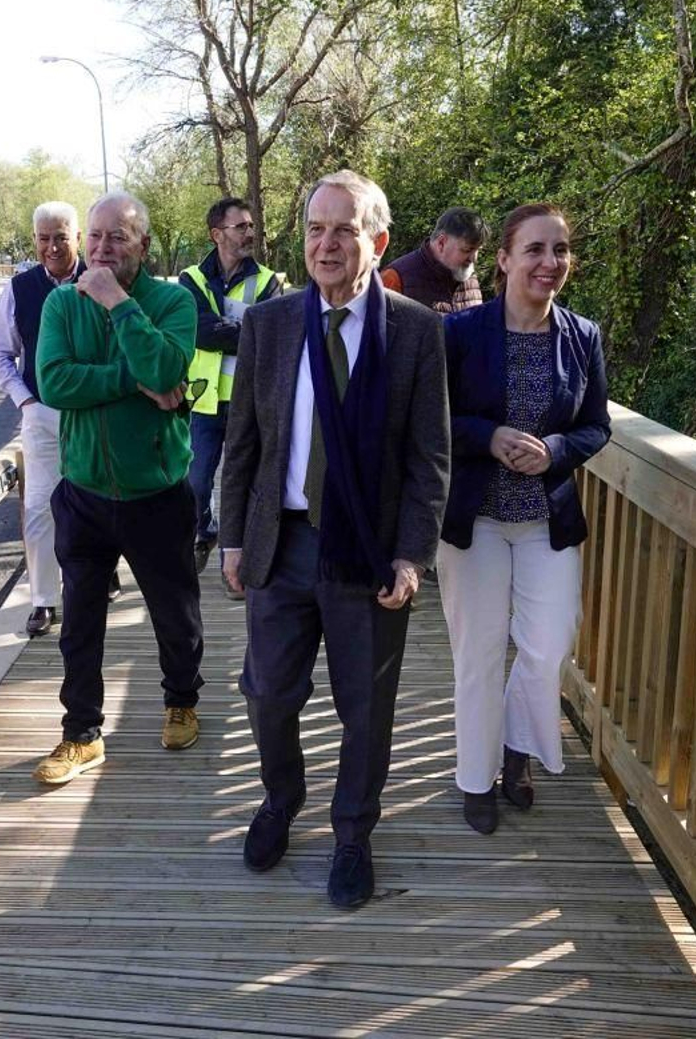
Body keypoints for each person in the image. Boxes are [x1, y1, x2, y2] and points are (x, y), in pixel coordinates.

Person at [220, 170, 450, 909]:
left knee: (366, 705)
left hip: (369, 552)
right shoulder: (271, 323)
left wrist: (413, 554)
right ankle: (281, 797)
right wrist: (231, 540)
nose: (325, 243)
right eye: (316, 228)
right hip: (280, 544)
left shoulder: (415, 331)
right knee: (268, 693)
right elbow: (243, 442)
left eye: (343, 229)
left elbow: (429, 456)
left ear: (376, 241)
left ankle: (353, 831)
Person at [438, 203, 610, 835]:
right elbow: (431, 422)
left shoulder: (583, 336)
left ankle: (517, 747)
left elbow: (597, 426)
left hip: (546, 518)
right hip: (476, 518)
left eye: (560, 250)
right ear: (504, 259)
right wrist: (490, 437)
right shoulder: (461, 334)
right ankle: (477, 779)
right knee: (479, 653)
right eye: (535, 250)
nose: (550, 262)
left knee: (548, 644)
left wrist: (556, 451)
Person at [30, 190, 206, 784]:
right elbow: (54, 382)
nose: (102, 250)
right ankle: (81, 733)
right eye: (96, 237)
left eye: (117, 238)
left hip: (157, 493)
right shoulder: (60, 304)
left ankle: (181, 698)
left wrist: (120, 305)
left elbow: (167, 370)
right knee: (80, 621)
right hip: (83, 492)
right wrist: (135, 383)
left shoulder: (173, 301)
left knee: (174, 612)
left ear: (144, 246)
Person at [0, 202, 120, 638]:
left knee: (100, 499)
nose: (51, 246)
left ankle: (105, 570)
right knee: (40, 506)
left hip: (95, 414)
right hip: (41, 414)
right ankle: (44, 600)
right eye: (43, 238)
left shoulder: (101, 281)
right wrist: (24, 401)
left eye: (60, 236)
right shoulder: (20, 289)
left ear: (77, 237)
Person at [179, 197, 283, 585]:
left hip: (249, 402)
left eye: (251, 226)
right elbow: (196, 329)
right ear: (216, 234)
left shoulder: (268, 279)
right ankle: (204, 531)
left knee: (245, 483)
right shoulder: (192, 278)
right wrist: (244, 330)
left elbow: (269, 334)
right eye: (241, 227)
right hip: (204, 400)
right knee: (197, 481)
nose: (250, 233)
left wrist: (228, 330)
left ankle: (236, 557)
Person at [380, 207, 489, 314]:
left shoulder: (468, 275)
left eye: (477, 250)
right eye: (467, 250)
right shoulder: (395, 278)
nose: (474, 258)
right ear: (441, 243)